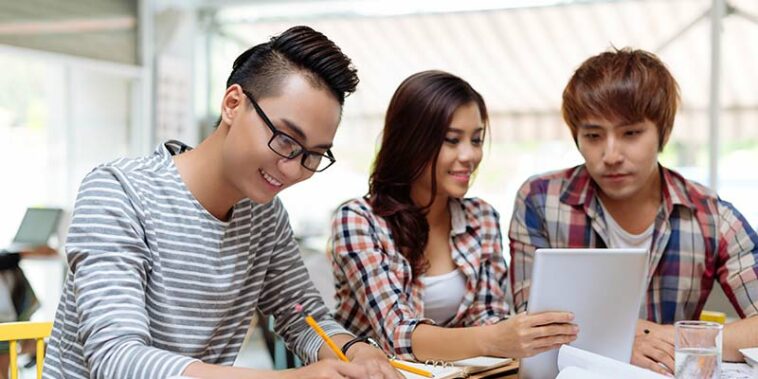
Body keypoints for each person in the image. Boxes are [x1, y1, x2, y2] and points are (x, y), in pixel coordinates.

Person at [42, 26, 401, 379]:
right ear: (233, 104)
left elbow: (302, 314)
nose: (293, 170)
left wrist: (355, 350)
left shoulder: (265, 217)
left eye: (312, 156)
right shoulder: (119, 192)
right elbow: (117, 360)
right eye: (285, 140)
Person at [508, 48, 758, 375]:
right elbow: (529, 325)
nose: (611, 155)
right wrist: (623, 340)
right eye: (593, 135)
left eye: (631, 133)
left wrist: (667, 337)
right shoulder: (541, 200)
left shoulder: (709, 216)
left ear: (662, 132)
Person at [329, 70, 577, 363]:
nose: (469, 155)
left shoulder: (482, 217)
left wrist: (511, 335)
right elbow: (395, 335)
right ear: (410, 142)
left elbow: (488, 315)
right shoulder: (358, 221)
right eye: (451, 140)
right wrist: (494, 339)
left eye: (476, 140)